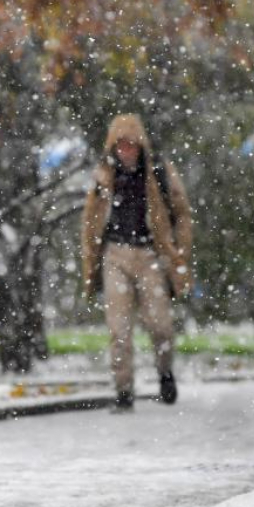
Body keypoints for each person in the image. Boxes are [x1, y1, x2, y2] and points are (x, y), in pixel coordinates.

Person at [81, 114, 194, 412]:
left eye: (132, 145)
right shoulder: (104, 177)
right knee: (119, 330)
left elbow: (182, 213)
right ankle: (123, 391)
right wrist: (91, 259)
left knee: (161, 325)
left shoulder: (158, 174)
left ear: (141, 146)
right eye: (121, 145)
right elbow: (90, 222)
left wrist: (179, 250)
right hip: (115, 254)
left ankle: (165, 371)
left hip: (149, 255)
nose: (126, 151)